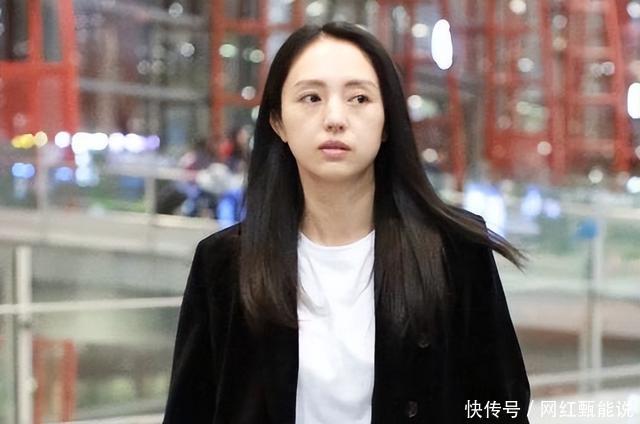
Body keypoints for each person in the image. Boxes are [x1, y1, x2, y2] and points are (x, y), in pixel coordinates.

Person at [163, 21, 531, 423]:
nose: (335, 118)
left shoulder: (455, 253)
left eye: (359, 98)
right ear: (277, 121)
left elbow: (501, 408)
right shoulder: (225, 264)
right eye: (311, 98)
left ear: (388, 121)